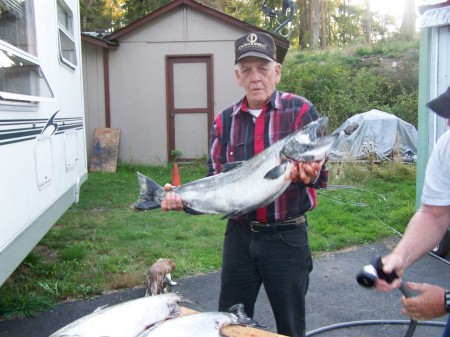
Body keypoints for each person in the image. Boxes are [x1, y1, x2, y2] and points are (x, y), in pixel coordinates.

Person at [161, 31, 328, 337]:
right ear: (237, 76)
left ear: (276, 71)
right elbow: (216, 180)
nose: (256, 78)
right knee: (228, 322)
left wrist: (312, 172)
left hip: (287, 237)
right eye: (247, 70)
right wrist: (182, 199)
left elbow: (320, 171)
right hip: (238, 238)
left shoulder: (301, 111)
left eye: (263, 69)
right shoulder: (223, 121)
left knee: (291, 326)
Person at [375, 86, 450, 336]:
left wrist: (447, 301)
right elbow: (434, 214)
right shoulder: (448, 146)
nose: (448, 122)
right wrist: (400, 256)